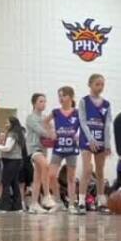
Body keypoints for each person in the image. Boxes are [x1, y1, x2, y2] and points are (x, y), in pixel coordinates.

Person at [45, 86, 83, 214]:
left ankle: (71, 204)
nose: (61, 98)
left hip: (72, 148)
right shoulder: (55, 112)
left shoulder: (78, 113)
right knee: (51, 175)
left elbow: (85, 127)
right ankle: (58, 202)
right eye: (59, 96)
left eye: (63, 95)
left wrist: (79, 136)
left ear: (71, 97)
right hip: (58, 147)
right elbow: (45, 121)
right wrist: (51, 131)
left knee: (71, 178)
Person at [78, 74, 113, 213]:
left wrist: (108, 144)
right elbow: (82, 121)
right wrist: (90, 139)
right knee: (87, 170)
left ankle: (101, 201)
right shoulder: (84, 101)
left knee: (100, 171)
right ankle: (81, 201)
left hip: (101, 140)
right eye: (97, 84)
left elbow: (107, 125)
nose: (100, 87)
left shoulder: (106, 104)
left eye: (102, 84)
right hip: (87, 140)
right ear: (90, 84)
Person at [25, 93, 55, 213]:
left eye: (44, 101)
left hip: (43, 149)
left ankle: (33, 204)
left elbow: (51, 129)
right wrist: (50, 134)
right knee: (45, 166)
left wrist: (52, 132)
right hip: (34, 148)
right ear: (34, 103)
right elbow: (40, 131)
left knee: (37, 177)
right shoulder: (30, 117)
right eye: (41, 101)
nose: (43, 104)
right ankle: (47, 195)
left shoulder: (45, 117)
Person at [0, 116, 26, 212]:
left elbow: (7, 148)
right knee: (14, 183)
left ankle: (4, 206)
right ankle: (17, 207)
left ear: (12, 124)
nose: (6, 124)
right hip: (16, 161)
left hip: (11, 161)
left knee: (5, 183)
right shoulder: (18, 134)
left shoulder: (12, 134)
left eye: (7, 123)